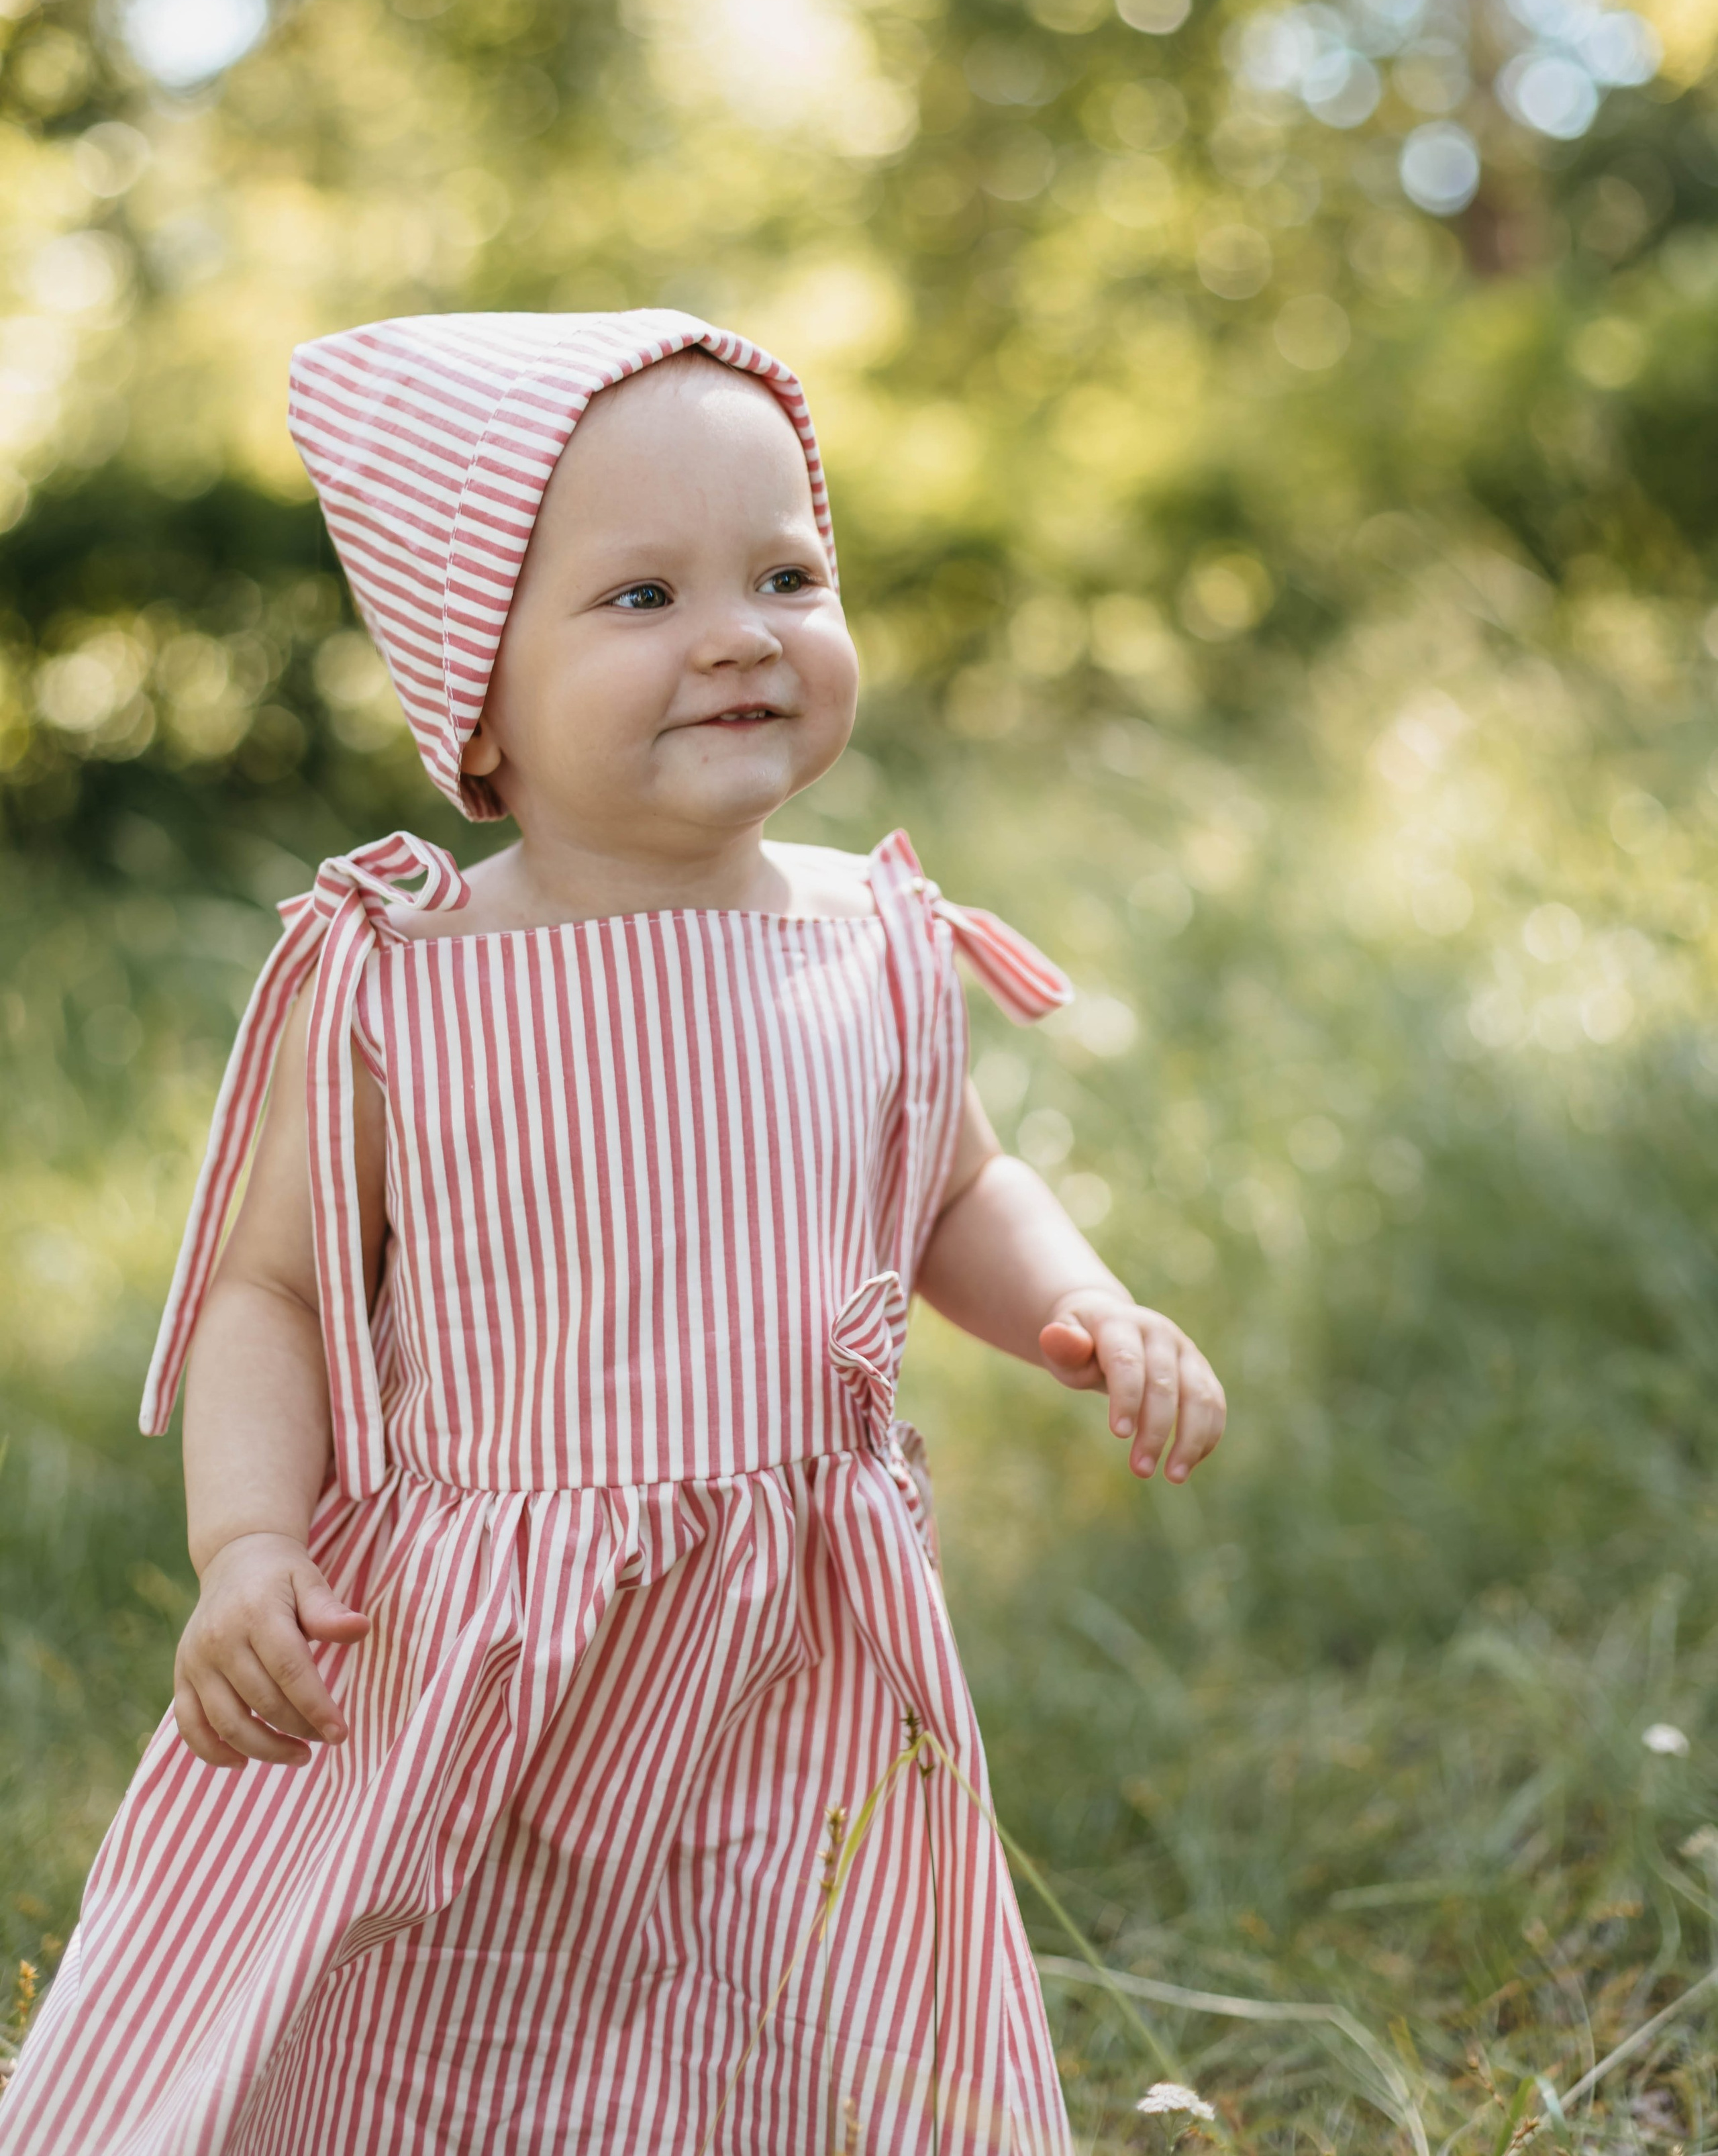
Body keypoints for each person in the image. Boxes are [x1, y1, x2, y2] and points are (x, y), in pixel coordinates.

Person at [0, 309, 1225, 2155]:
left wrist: (1087, 1302)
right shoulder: (399, 984)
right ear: (470, 691)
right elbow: (269, 1288)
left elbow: (953, 1188)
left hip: (788, 1635)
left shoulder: (874, 937)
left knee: (808, 2007)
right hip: (468, 1643)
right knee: (416, 2010)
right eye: (641, 596)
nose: (740, 631)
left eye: (788, 574)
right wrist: (249, 1543)